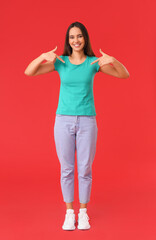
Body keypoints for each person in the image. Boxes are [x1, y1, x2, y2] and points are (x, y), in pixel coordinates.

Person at [24, 21, 130, 231]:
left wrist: (113, 60)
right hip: (63, 120)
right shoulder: (60, 62)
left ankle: (83, 213)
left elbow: (124, 74)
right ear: (68, 41)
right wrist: (42, 56)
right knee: (67, 169)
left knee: (85, 169)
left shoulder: (94, 63)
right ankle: (69, 213)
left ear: (85, 39)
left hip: (87, 121)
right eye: (72, 37)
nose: (76, 40)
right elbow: (29, 72)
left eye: (79, 36)